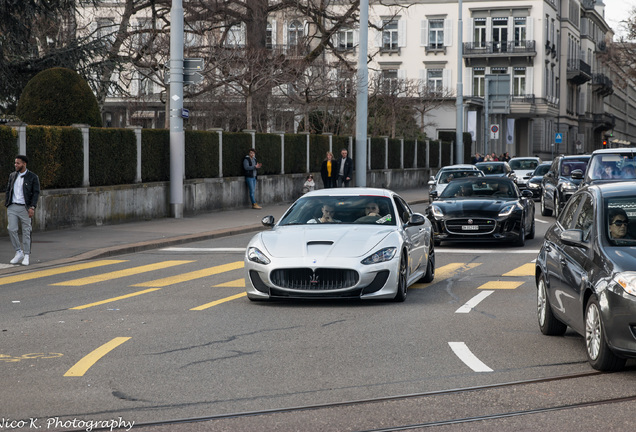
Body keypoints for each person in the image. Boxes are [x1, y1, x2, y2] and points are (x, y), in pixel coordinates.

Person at [5, 155, 40, 266]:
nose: (16, 165)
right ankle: (18, 252)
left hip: (25, 207)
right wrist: (8, 203)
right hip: (12, 207)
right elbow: (8, 190)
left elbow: (36, 193)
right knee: (11, 229)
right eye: (15, 163)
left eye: (18, 163)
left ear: (24, 164)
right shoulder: (12, 176)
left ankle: (26, 255)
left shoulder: (33, 177)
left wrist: (32, 207)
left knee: (26, 231)